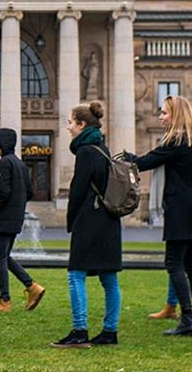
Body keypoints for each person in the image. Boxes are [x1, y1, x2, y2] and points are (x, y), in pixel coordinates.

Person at [126, 95, 192, 338]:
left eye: (164, 113)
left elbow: (146, 162)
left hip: (182, 211)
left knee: (174, 263)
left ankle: (187, 318)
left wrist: (126, 158)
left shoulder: (176, 140)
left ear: (175, 115)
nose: (160, 117)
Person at [51, 101, 122, 349]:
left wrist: (71, 220)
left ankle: (80, 330)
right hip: (109, 219)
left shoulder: (85, 151)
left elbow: (78, 189)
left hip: (90, 219)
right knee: (109, 278)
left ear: (81, 125)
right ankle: (109, 331)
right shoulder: (103, 148)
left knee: (76, 274)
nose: (68, 128)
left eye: (70, 122)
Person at [0, 128, 45, 313]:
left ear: (3, 143)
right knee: (4, 256)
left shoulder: (5, 163)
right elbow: (29, 192)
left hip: (4, 218)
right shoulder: (19, 163)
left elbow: (1, 193)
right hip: (15, 217)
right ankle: (32, 286)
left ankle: (5, 300)